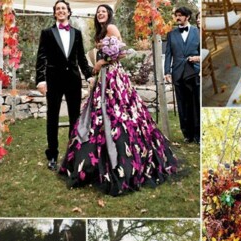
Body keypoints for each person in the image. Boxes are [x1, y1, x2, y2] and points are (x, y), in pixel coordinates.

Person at [58, 4, 177, 196]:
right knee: (97, 114)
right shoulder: (101, 32)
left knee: (119, 114)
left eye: (103, 12)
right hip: (103, 78)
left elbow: (120, 52)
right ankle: (92, 162)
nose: (100, 14)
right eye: (98, 13)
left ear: (109, 14)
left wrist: (101, 62)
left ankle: (124, 159)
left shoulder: (112, 28)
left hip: (113, 77)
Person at [36, 0, 93, 170]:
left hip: (73, 80)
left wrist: (89, 75)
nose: (61, 11)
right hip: (53, 79)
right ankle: (52, 155)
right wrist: (40, 79)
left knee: (74, 117)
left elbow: (81, 58)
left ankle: (72, 154)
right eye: (58, 9)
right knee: (52, 117)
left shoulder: (77, 33)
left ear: (69, 12)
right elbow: (41, 57)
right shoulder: (46, 33)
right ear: (55, 13)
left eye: (63, 8)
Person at [164, 7, 200, 144]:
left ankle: (197, 134)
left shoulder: (197, 32)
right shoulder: (171, 34)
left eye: (180, 15)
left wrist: (198, 58)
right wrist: (167, 71)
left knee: (195, 104)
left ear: (187, 17)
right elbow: (168, 54)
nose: (177, 18)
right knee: (182, 104)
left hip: (194, 71)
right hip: (177, 72)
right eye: (176, 15)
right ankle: (187, 134)